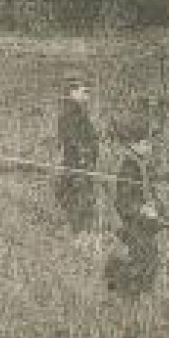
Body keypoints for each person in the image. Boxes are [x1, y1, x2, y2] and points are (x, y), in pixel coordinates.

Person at [105, 121, 162, 298]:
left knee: (144, 254)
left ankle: (127, 291)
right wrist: (143, 211)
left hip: (135, 220)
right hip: (127, 221)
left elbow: (144, 192)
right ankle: (127, 293)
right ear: (134, 144)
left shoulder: (137, 163)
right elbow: (124, 200)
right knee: (145, 255)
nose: (150, 148)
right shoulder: (128, 166)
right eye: (146, 143)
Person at [55, 79, 100, 236]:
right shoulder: (72, 114)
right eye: (84, 91)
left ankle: (78, 232)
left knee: (77, 199)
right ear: (72, 93)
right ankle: (79, 234)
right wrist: (85, 160)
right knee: (78, 200)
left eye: (89, 92)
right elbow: (75, 141)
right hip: (77, 165)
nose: (88, 96)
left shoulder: (76, 112)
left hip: (77, 164)